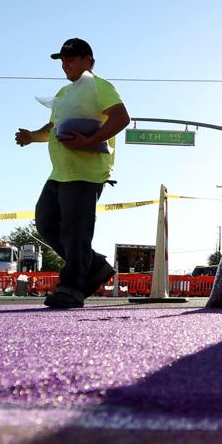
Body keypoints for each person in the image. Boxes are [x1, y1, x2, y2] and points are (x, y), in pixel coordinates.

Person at [14, 38, 129, 308]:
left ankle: (72, 288)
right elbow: (53, 127)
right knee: (45, 222)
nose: (65, 64)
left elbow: (121, 118)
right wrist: (32, 136)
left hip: (86, 173)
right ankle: (95, 265)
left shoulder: (100, 86)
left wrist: (91, 140)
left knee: (75, 232)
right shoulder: (64, 93)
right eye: (62, 60)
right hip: (60, 173)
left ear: (89, 60)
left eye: (71, 59)